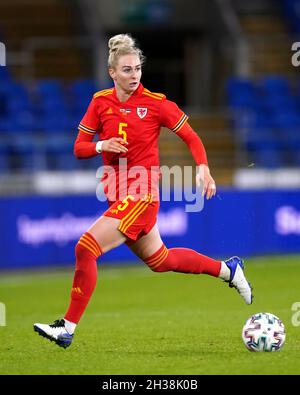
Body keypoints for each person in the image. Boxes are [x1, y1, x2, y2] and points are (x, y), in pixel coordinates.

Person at [33, 34, 253, 349]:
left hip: (142, 193)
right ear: (112, 72)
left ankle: (66, 328)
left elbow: (191, 137)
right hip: (118, 194)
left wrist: (203, 168)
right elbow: (79, 149)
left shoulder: (156, 104)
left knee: (85, 248)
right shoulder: (100, 102)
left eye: (137, 68)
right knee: (161, 260)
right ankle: (228, 270)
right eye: (127, 70)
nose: (134, 75)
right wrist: (101, 144)